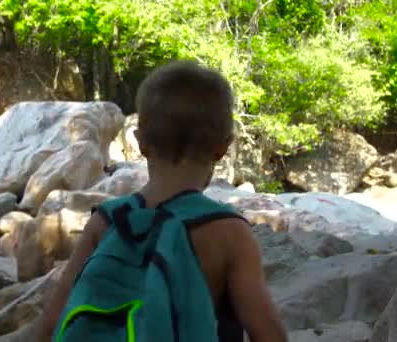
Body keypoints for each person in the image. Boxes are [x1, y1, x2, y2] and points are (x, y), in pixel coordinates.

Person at [34, 60, 287, 342]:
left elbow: (52, 319)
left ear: (141, 143)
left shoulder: (107, 219)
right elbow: (267, 333)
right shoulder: (229, 231)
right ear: (222, 147)